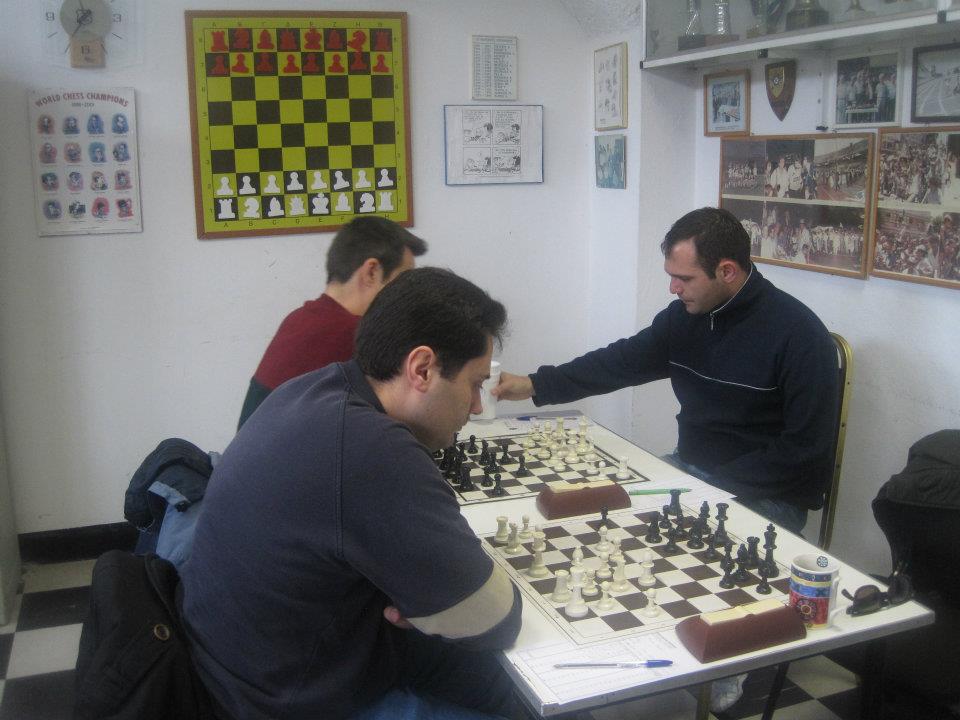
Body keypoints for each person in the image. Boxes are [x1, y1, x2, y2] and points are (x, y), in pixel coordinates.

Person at [180, 267, 524, 720]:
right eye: (474, 384)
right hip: (281, 701)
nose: (477, 406)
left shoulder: (314, 389)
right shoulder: (373, 448)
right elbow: (495, 619)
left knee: (488, 679)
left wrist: (427, 601)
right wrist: (438, 600)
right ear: (422, 369)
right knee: (512, 685)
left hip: (230, 666)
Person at [493, 207, 838, 536]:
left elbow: (805, 451)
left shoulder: (800, 336)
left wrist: (708, 487)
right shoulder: (683, 318)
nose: (673, 288)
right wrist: (534, 384)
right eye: (671, 276)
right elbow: (619, 362)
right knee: (593, 522)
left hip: (768, 495)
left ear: (727, 271)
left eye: (684, 278)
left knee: (649, 543)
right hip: (689, 471)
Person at [238, 216, 427, 428]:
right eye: (402, 280)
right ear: (372, 272)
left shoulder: (299, 318)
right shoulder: (355, 334)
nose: (406, 294)